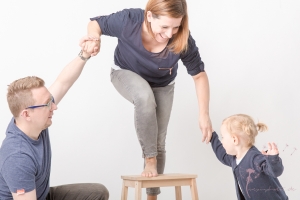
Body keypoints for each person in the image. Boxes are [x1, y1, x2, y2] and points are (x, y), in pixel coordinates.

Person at [80, 0, 212, 199]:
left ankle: (152, 196)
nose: (169, 34)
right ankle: (149, 159)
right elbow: (96, 23)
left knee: (159, 141)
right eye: (165, 27)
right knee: (144, 97)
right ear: (149, 16)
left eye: (176, 27)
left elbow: (199, 75)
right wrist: (94, 38)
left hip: (163, 84)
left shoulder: (183, 38)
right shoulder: (129, 21)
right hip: (124, 72)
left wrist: (204, 114)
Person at [0, 41, 109, 200]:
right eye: (47, 104)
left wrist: (84, 54)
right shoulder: (18, 156)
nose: (54, 107)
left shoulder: (33, 120)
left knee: (97, 192)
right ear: (26, 114)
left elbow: (63, 83)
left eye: (51, 101)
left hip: (42, 195)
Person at [210, 114, 288, 200]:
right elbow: (223, 155)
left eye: (223, 137)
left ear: (234, 139)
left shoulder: (255, 158)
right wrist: (212, 137)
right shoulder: (234, 159)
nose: (222, 141)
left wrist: (273, 159)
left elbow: (275, 172)